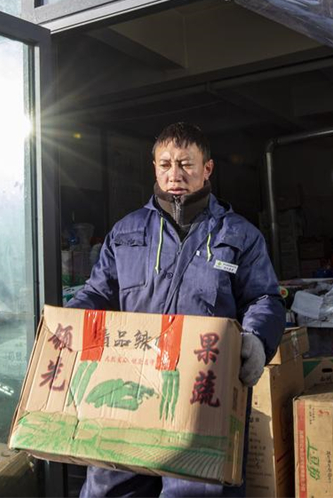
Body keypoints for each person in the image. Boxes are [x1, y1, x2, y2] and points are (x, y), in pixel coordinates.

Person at [67, 122, 286, 498]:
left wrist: (256, 339)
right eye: (165, 164)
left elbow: (264, 299)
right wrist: (65, 322)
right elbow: (98, 292)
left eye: (186, 164)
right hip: (128, 388)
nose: (175, 175)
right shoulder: (126, 232)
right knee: (110, 489)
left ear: (207, 169)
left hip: (201, 393)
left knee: (197, 491)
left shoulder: (238, 235)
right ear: (154, 167)